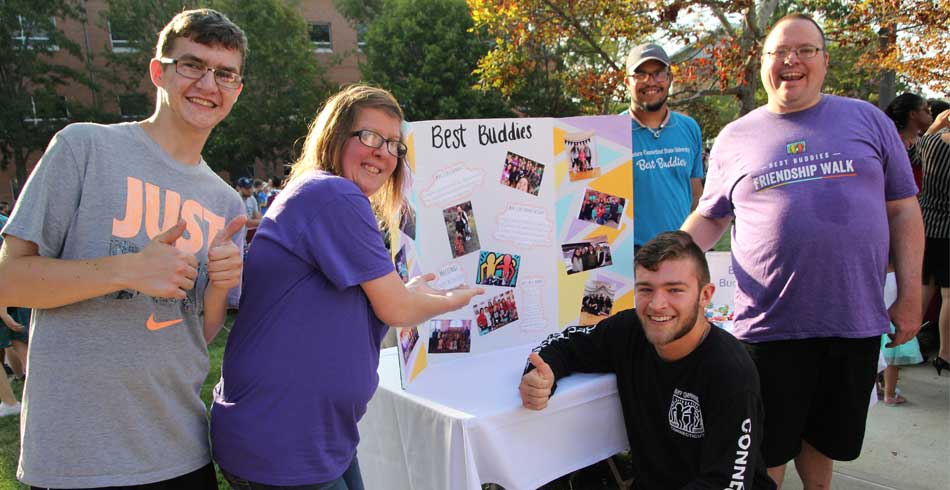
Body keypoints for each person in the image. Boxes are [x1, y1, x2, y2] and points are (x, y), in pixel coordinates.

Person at [0, 9, 249, 489]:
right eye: (192, 65)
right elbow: (9, 279)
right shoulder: (84, 148)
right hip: (78, 458)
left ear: (237, 89)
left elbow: (198, 329)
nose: (208, 84)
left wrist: (219, 285)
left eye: (225, 73)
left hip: (181, 450)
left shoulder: (225, 200)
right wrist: (127, 269)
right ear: (159, 71)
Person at [681, 13, 924, 490]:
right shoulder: (735, 137)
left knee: (827, 440)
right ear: (763, 64)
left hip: (851, 317)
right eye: (778, 52)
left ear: (824, 61)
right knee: (767, 446)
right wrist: (666, 258)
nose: (791, 60)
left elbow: (904, 211)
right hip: (769, 324)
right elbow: (711, 217)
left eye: (805, 50)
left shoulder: (868, 120)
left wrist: (911, 296)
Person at [210, 84, 483, 489]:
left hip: (313, 437)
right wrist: (448, 301)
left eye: (394, 144)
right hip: (284, 441)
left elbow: (366, 300)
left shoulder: (324, 195)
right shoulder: (333, 194)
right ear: (336, 136)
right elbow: (398, 311)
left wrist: (409, 291)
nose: (383, 152)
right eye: (369, 136)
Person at [520, 231, 775, 490]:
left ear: (705, 295)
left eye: (675, 290)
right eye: (645, 289)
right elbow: (565, 344)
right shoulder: (630, 330)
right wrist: (541, 375)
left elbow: (725, 484)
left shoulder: (730, 372)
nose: (657, 304)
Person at [623, 43, 704, 250]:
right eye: (640, 75)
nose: (651, 82)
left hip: (679, 251)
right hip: (630, 256)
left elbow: (695, 193)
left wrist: (691, 244)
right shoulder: (611, 134)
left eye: (658, 74)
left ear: (669, 79)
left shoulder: (689, 127)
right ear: (627, 82)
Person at [917, 99, 950, 375]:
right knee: (949, 295)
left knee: (925, 288)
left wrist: (934, 127)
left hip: (927, 225)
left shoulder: (931, 144)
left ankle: (905, 340)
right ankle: (945, 353)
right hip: (949, 230)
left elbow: (916, 152)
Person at [884, 93, 933, 190]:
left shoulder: (920, 138)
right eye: (926, 110)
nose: (930, 114)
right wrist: (934, 128)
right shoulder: (896, 142)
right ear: (913, 114)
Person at [236, 176, 262, 243]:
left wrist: (262, 221)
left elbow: (257, 216)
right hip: (234, 239)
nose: (250, 190)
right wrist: (265, 222)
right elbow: (247, 222)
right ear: (239, 188)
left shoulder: (252, 199)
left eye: (251, 187)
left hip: (243, 238)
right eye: (247, 188)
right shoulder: (236, 200)